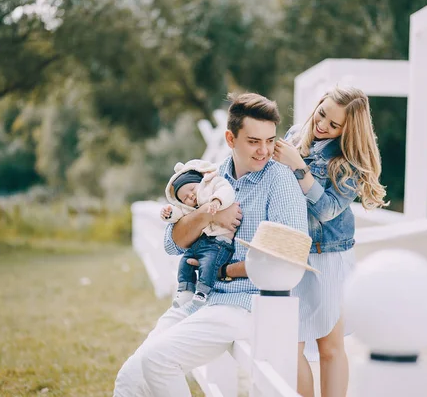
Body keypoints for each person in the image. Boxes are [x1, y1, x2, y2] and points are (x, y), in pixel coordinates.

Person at [114, 92, 309, 397]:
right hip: (198, 299)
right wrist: (209, 212)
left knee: (158, 360)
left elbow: (289, 255)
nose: (264, 150)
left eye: (270, 140)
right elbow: (172, 244)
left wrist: (224, 271)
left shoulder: (280, 181)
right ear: (231, 139)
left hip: (244, 302)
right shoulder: (208, 176)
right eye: (254, 141)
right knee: (128, 380)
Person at [273, 85, 388, 397]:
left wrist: (298, 166)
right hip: (290, 251)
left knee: (330, 347)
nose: (322, 125)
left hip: (327, 256)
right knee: (288, 344)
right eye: (322, 114)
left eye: (334, 125)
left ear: (348, 131)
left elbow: (327, 211)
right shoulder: (298, 134)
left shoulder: (348, 160)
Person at [160, 159, 236, 307]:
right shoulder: (188, 208)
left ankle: (202, 291)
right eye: (185, 198)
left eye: (192, 191)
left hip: (220, 241)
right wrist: (169, 213)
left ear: (200, 182)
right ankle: (185, 290)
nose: (190, 197)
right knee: (185, 262)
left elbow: (226, 190)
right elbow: (178, 215)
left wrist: (216, 201)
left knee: (208, 263)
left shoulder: (213, 185)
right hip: (201, 242)